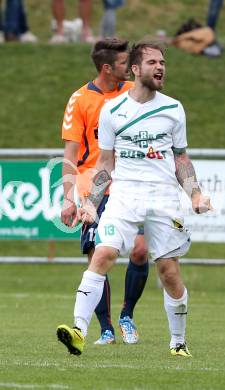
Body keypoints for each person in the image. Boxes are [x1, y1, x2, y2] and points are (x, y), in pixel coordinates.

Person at [56, 41, 211, 357]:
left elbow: (181, 159)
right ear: (136, 69)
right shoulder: (112, 110)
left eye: (163, 62)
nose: (160, 67)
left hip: (163, 197)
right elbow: (105, 164)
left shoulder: (173, 109)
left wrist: (195, 193)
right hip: (123, 196)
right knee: (103, 254)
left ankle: (178, 342)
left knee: (168, 271)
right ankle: (79, 330)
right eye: (153, 62)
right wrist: (88, 200)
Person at [60, 38, 149, 345]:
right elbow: (70, 156)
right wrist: (68, 198)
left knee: (140, 250)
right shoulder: (80, 99)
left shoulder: (134, 93)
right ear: (108, 68)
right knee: (98, 256)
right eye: (126, 63)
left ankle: (127, 315)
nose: (132, 67)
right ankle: (106, 329)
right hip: (92, 187)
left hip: (131, 183)